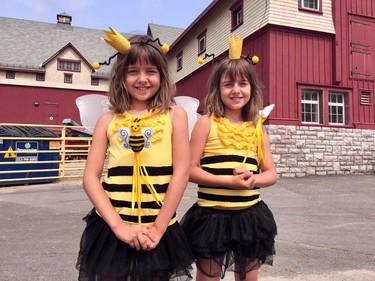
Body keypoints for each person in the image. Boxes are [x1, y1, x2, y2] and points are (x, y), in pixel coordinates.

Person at [76, 29, 194, 281]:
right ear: (121, 76)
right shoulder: (107, 120)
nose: (142, 79)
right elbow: (90, 177)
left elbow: (182, 172)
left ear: (162, 76)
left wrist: (159, 228)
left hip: (160, 229)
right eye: (133, 72)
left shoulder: (175, 115)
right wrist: (119, 226)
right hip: (111, 229)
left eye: (150, 71)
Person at [181, 36, 277, 281]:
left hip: (250, 216)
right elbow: (189, 170)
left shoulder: (257, 127)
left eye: (243, 84)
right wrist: (228, 182)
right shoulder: (206, 123)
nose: (236, 90)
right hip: (212, 217)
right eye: (228, 84)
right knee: (208, 277)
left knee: (248, 277)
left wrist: (252, 180)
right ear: (217, 89)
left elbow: (270, 174)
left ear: (252, 89)